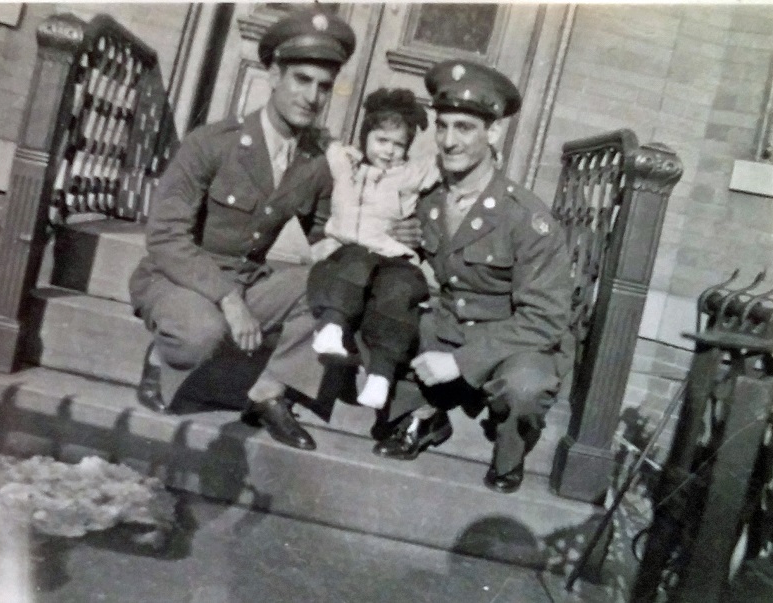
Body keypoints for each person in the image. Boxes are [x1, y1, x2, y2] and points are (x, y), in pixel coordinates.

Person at [128, 10, 357, 451]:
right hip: (180, 278)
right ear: (273, 75)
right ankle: (160, 359)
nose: (312, 96)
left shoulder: (315, 162)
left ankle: (269, 393)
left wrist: (375, 229)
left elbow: (326, 237)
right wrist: (228, 298)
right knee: (202, 334)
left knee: (337, 281)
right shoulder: (213, 142)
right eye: (301, 80)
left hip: (249, 282)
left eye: (323, 86)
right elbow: (165, 238)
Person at [372, 60, 572, 495]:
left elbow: (545, 320)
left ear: (493, 134)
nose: (448, 140)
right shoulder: (430, 201)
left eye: (464, 128)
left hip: (512, 340)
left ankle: (509, 452)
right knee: (389, 310)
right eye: (442, 126)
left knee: (526, 386)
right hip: (447, 325)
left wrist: (462, 363)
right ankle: (423, 419)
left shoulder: (527, 218)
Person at [306, 88, 438, 410]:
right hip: (349, 249)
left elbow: (443, 165)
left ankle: (380, 375)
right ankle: (333, 326)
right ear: (366, 137)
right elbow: (324, 142)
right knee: (349, 267)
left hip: (391, 256)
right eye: (382, 140)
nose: (390, 151)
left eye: (399, 145)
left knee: (399, 295)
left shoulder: (409, 174)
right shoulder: (347, 165)